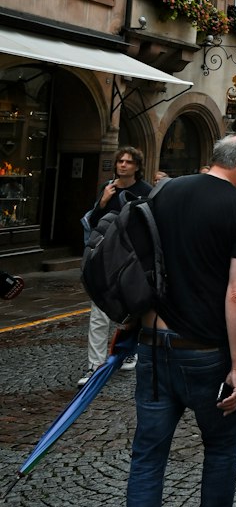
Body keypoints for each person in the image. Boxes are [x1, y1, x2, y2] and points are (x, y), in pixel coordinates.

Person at [124, 133, 236, 507]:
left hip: (154, 346)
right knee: (221, 451)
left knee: (147, 461)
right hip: (206, 351)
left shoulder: (162, 192)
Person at [79, 146, 151, 387]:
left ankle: (130, 348)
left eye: (129, 162)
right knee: (98, 313)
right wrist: (103, 202)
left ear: (137, 167)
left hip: (131, 260)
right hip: (103, 258)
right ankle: (95, 365)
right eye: (120, 161)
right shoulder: (107, 188)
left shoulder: (145, 191)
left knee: (134, 311)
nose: (123, 165)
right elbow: (94, 221)